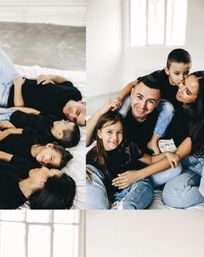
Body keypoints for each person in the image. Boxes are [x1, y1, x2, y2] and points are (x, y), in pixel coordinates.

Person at [0, 42, 86, 126]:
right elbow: (64, 80)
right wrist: (49, 76)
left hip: (4, 95)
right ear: (81, 102)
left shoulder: (55, 117)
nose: (71, 116)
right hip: (13, 77)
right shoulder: (74, 93)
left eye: (74, 120)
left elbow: (20, 109)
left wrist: (18, 87)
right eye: (78, 112)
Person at [86, 108, 181, 209]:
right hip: (116, 194)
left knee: (143, 189)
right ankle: (121, 206)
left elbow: (151, 160)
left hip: (137, 184)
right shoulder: (93, 155)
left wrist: (167, 154)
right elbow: (90, 173)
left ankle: (126, 206)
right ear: (100, 134)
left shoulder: (128, 147)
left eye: (119, 132)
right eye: (109, 132)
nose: (115, 137)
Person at [0, 135, 76, 209]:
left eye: (49, 170)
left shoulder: (4, 200)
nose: (44, 167)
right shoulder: (28, 172)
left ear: (44, 182)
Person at [117, 48, 191, 154]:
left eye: (186, 73)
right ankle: (118, 121)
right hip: (149, 99)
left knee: (169, 108)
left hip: (159, 104)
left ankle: (153, 141)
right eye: (177, 73)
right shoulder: (158, 76)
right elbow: (132, 85)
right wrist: (119, 98)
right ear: (167, 71)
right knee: (129, 98)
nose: (181, 78)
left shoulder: (184, 86)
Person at [163, 72, 204, 208]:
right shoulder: (175, 100)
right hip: (192, 162)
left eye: (187, 91)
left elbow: (181, 151)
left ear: (199, 100)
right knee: (172, 196)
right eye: (184, 83)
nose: (180, 91)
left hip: (199, 159)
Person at [0, 107, 80, 149]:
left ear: (59, 134)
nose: (63, 120)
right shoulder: (53, 119)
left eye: (65, 122)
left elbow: (22, 133)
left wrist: (10, 126)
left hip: (6, 124)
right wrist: (11, 108)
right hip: (12, 113)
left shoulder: (43, 138)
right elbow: (34, 111)